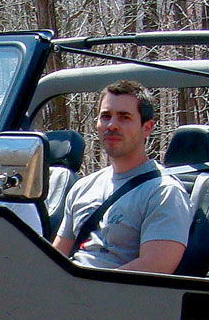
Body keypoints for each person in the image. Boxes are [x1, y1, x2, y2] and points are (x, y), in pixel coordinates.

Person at [51, 81, 191, 273]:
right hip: (65, 293)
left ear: (147, 128)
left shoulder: (164, 192)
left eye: (124, 117)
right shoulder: (82, 187)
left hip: (118, 298)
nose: (112, 125)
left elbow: (156, 268)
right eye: (106, 116)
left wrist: (83, 287)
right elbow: (54, 259)